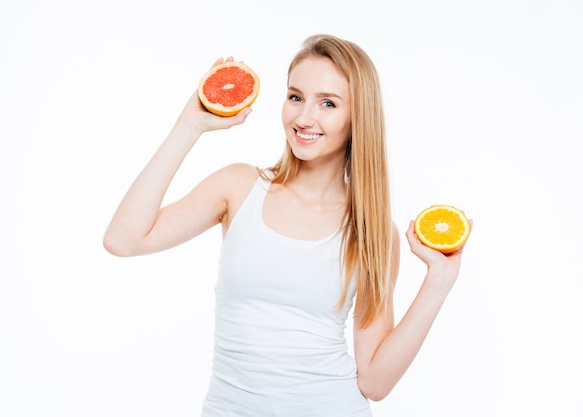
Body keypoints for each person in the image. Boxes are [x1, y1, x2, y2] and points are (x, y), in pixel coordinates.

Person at [103, 34, 471, 417]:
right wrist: (188, 126)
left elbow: (375, 382)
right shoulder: (239, 187)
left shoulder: (371, 230)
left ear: (357, 117)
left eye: (328, 103)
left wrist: (438, 283)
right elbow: (124, 239)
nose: (303, 117)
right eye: (296, 97)